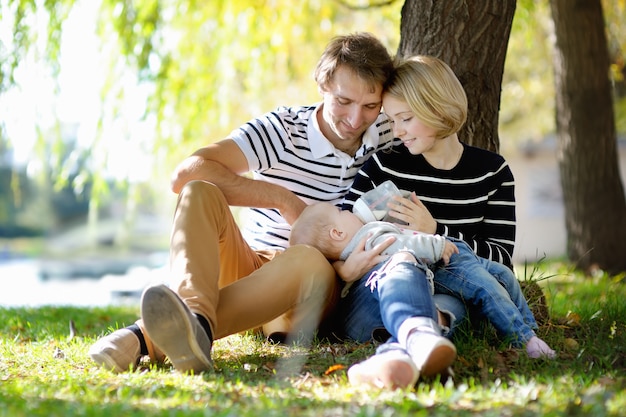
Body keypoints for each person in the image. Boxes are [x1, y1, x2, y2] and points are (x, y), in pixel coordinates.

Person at [88, 32, 406, 374]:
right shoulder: (283, 130)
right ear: (323, 86)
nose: (356, 119)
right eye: (344, 101)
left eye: (370, 106)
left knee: (307, 259)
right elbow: (185, 174)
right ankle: (197, 319)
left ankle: (142, 338)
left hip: (316, 287)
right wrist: (281, 199)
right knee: (198, 190)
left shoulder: (390, 133)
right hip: (250, 269)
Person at [336, 55, 557, 389]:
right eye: (392, 120)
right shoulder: (384, 166)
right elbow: (343, 231)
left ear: (436, 108)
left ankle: (394, 359)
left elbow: (499, 258)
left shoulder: (491, 172)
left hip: (451, 299)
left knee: (452, 305)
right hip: (378, 297)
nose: (397, 131)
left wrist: (436, 231)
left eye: (405, 119)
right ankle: (405, 347)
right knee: (405, 261)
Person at [291, 201, 555, 362]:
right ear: (338, 232)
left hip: (394, 297)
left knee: (495, 277)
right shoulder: (369, 236)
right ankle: (525, 336)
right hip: (432, 265)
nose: (347, 209)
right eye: (340, 210)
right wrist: (435, 244)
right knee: (486, 284)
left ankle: (526, 332)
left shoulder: (358, 241)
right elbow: (404, 243)